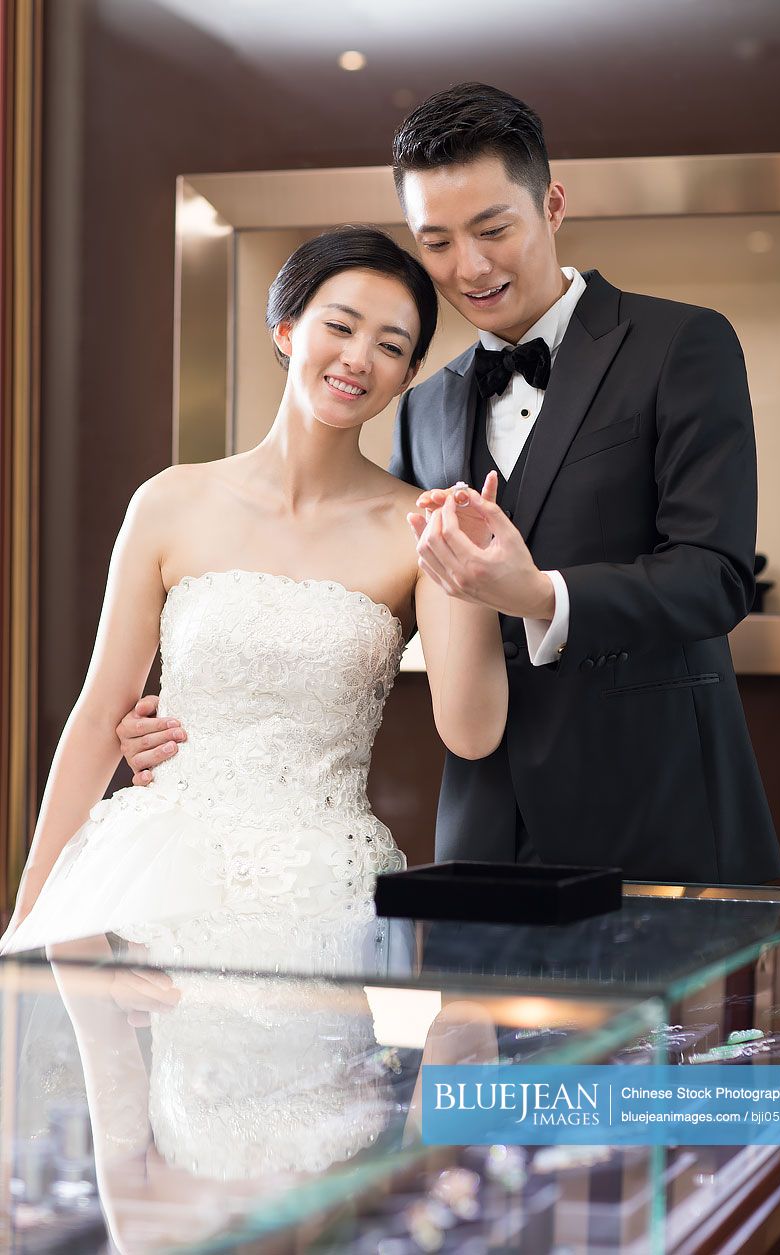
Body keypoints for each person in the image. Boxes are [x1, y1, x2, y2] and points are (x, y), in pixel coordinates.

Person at [118, 84, 780, 886]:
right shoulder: (420, 404)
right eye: (435, 241)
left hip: (658, 810)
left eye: (493, 229)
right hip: (485, 829)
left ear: (553, 204)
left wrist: (538, 592)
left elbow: (714, 576)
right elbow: (355, 597)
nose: (468, 267)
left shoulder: (681, 344)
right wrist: (198, 721)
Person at [1, 225, 507, 955]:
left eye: (392, 346)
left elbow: (472, 730)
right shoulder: (169, 500)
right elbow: (96, 718)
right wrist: (30, 915)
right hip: (155, 886)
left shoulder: (417, 526)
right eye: (340, 326)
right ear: (287, 326)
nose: (359, 358)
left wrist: (474, 569)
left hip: (319, 897)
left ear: (407, 374)